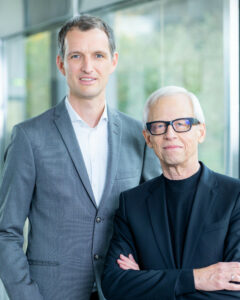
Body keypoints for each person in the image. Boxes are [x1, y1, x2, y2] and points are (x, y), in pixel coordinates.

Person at [0, 15, 160, 300]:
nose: (88, 67)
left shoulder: (140, 135)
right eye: (76, 56)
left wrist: (148, 272)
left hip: (122, 290)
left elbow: (156, 219)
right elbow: (5, 233)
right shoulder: (28, 137)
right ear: (61, 64)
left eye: (98, 55)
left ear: (113, 61)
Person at [102, 86, 240, 300]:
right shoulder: (132, 204)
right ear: (148, 138)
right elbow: (115, 285)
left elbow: (235, 292)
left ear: (200, 131)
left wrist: (148, 281)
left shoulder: (234, 196)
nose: (170, 134)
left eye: (181, 124)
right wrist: (196, 278)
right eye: (159, 126)